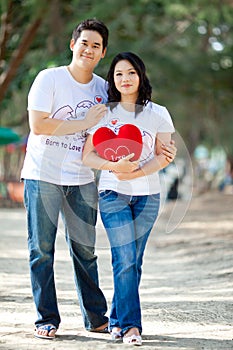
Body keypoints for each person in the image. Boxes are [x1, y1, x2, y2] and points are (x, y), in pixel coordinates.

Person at [21, 18, 110, 340]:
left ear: (102, 54)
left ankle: (97, 318)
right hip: (42, 175)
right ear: (73, 44)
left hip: (82, 178)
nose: (89, 49)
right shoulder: (50, 78)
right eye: (84, 42)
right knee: (41, 250)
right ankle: (46, 318)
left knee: (85, 250)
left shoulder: (103, 88)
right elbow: (40, 126)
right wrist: (83, 121)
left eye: (96, 46)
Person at [83, 52, 176, 346]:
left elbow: (166, 155)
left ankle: (117, 320)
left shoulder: (158, 112)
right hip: (112, 193)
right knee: (124, 258)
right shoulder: (103, 113)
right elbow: (88, 156)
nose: (125, 79)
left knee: (133, 261)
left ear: (141, 76)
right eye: (119, 73)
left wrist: (137, 171)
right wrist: (115, 167)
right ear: (112, 78)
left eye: (131, 73)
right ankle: (132, 327)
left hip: (148, 196)